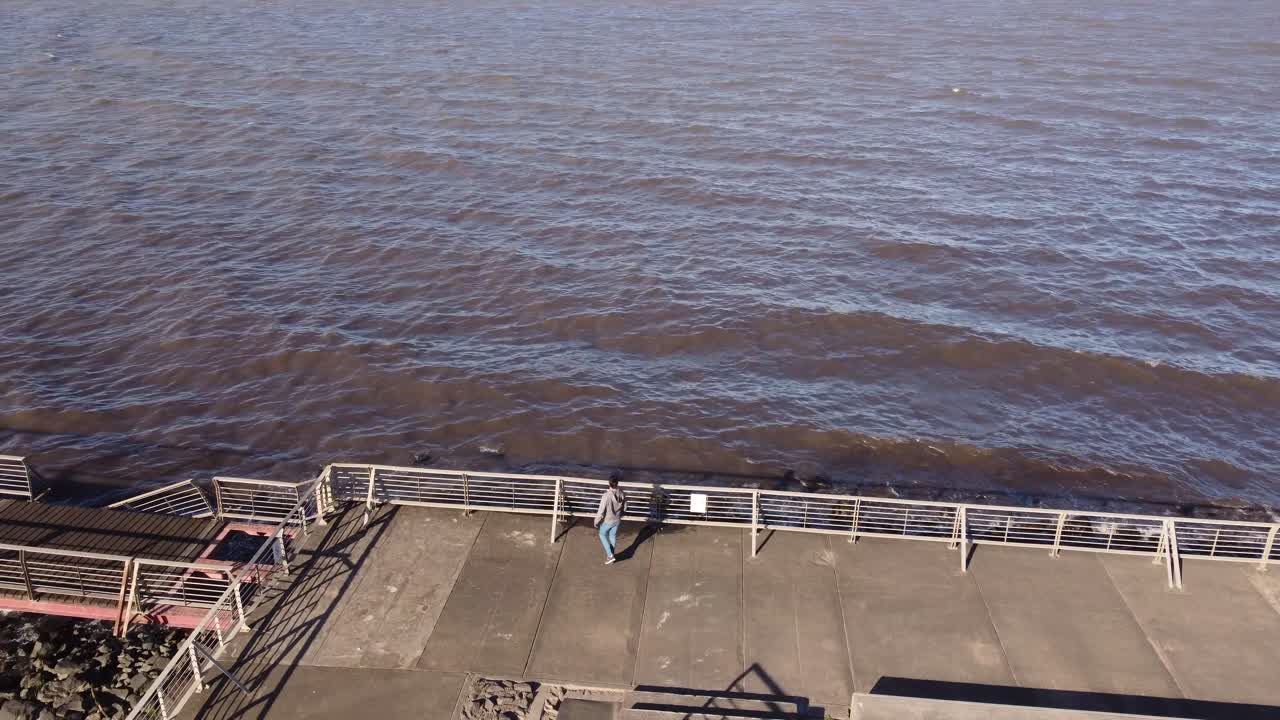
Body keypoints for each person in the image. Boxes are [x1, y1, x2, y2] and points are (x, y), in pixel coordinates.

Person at [594, 474, 627, 564]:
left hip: (608, 521)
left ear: (609, 483)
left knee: (602, 534)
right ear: (617, 483)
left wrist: (596, 522)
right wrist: (622, 512)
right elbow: (625, 506)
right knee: (612, 536)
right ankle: (611, 557)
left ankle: (610, 555)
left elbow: (601, 511)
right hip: (617, 520)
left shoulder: (606, 496)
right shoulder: (621, 492)